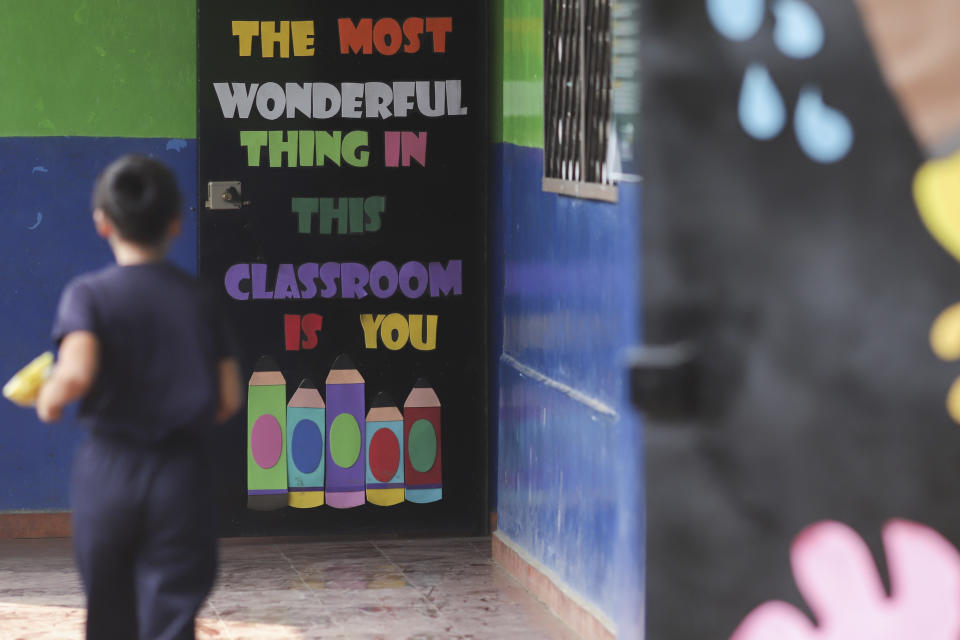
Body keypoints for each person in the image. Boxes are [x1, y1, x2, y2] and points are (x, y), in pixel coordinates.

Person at [36, 154, 243, 640]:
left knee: (109, 609)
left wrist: (49, 398)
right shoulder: (200, 298)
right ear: (174, 221)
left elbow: (77, 372)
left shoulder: (87, 295)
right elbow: (229, 398)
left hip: (108, 473)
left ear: (102, 223)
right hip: (180, 472)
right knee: (172, 615)